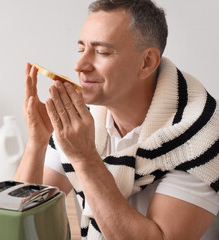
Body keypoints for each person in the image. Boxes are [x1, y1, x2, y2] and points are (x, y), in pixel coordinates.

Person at [14, 0, 219, 239]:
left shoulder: (198, 136)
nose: (79, 65)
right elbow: (19, 218)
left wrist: (85, 158)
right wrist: (37, 143)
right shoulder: (85, 117)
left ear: (147, 62)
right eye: (82, 49)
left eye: (102, 52)